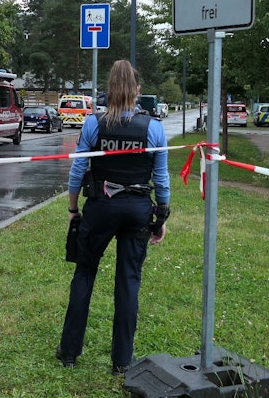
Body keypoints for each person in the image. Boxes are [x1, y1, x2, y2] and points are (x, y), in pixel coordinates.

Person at [56, 60, 171, 375]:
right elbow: (161, 179)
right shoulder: (154, 128)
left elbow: (78, 171)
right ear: (137, 91)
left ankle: (69, 352)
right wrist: (161, 217)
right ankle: (122, 361)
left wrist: (73, 210)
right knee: (128, 281)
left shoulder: (94, 124)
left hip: (100, 207)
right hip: (137, 210)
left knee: (84, 273)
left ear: (109, 90)